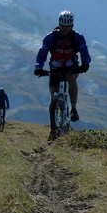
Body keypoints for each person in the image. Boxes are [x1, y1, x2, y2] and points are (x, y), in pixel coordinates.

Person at [34, 10, 91, 140]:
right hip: (55, 69)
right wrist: (38, 66)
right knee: (53, 97)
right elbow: (42, 52)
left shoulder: (77, 37)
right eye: (62, 25)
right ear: (59, 24)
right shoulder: (51, 37)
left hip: (71, 68)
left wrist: (85, 64)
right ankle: (53, 128)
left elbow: (84, 51)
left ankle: (73, 108)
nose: (65, 28)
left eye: (67, 26)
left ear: (72, 25)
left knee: (71, 78)